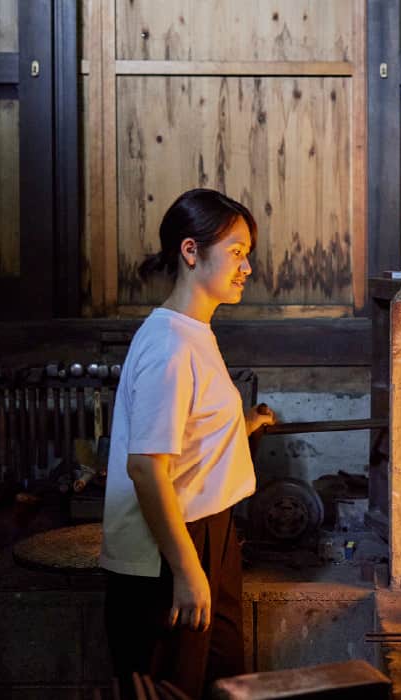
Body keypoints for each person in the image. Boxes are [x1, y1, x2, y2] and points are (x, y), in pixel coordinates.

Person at [100, 188, 276, 698]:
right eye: (237, 253)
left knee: (220, 681)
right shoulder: (171, 346)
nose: (247, 268)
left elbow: (183, 437)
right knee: (170, 689)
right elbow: (147, 469)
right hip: (166, 552)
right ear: (191, 251)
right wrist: (186, 570)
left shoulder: (194, 332)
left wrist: (238, 427)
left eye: (248, 255)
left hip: (208, 533)